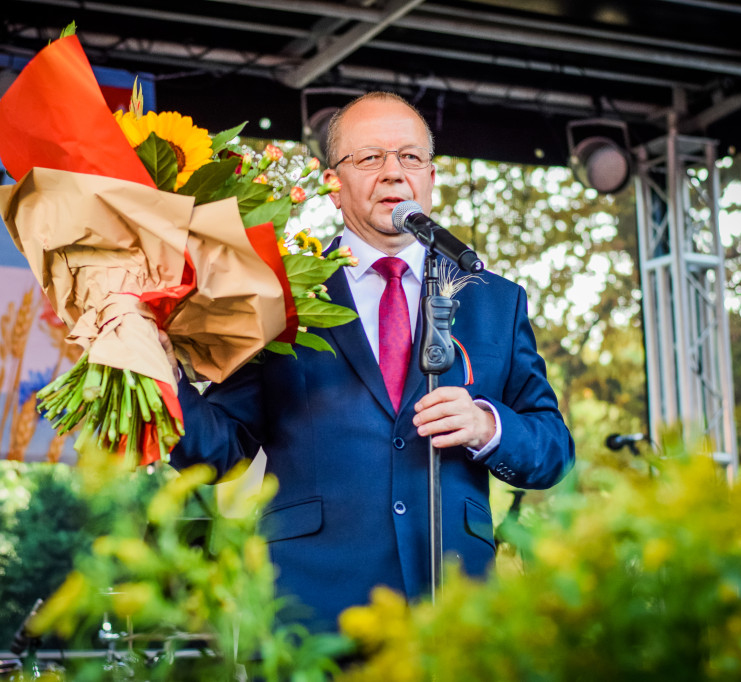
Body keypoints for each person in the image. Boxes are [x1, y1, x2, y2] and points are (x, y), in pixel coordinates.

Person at [160, 91, 574, 631]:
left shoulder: (494, 299)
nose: (392, 173)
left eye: (409, 157)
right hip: (313, 608)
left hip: (455, 608)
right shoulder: (279, 291)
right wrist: (160, 372)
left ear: (430, 177)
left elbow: (553, 448)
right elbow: (213, 450)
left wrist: (486, 426)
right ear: (333, 185)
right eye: (369, 158)